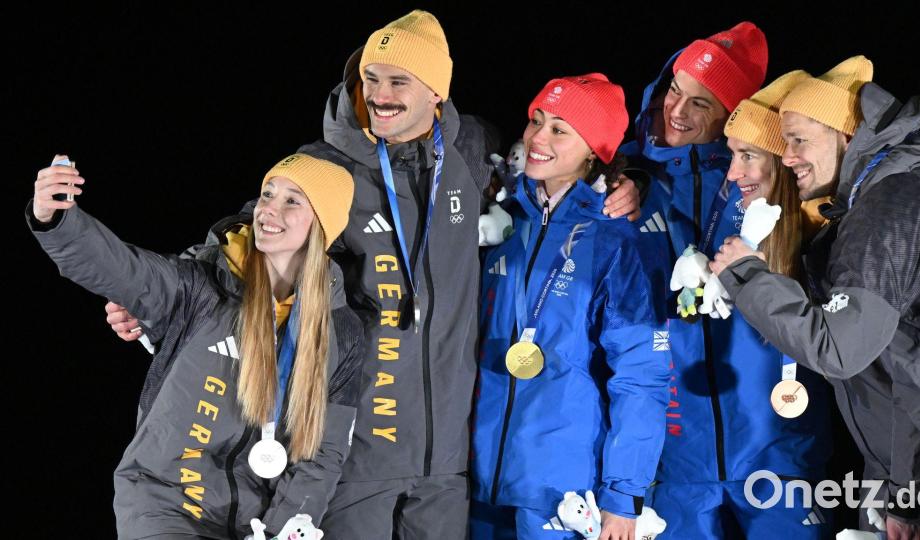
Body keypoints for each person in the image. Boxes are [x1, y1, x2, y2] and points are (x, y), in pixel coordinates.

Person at [101, 10, 640, 538]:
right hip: (357, 456)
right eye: (370, 78)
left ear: (436, 92)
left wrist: (629, 179)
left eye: (399, 81)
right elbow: (249, 236)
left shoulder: (470, 151)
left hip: (447, 462)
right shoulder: (325, 167)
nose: (380, 94)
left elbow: (566, 163)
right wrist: (160, 304)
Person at [29, 153, 363, 539]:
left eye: (292, 201)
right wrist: (57, 220)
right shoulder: (204, 285)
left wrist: (285, 527)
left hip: (250, 523)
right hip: (162, 501)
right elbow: (122, 270)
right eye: (267, 194)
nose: (269, 209)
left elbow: (322, 452)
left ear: (322, 225)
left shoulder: (341, 330)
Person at [712, 55, 920, 539]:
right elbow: (906, 371)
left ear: (847, 136)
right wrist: (904, 496)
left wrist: (747, 277)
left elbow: (840, 350)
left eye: (799, 140)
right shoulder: (893, 195)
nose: (788, 156)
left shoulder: (894, 202)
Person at [620, 23, 834, 538]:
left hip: (777, 441)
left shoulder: (768, 182)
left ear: (731, 115)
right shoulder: (629, 181)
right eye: (676, 89)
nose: (677, 111)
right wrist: (629, 174)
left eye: (701, 103)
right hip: (675, 444)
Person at [470, 73, 671, 540]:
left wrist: (624, 495)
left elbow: (642, 372)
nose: (538, 137)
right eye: (536, 120)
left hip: (561, 492)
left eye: (560, 129)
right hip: (480, 482)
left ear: (594, 151)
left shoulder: (614, 241)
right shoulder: (501, 225)